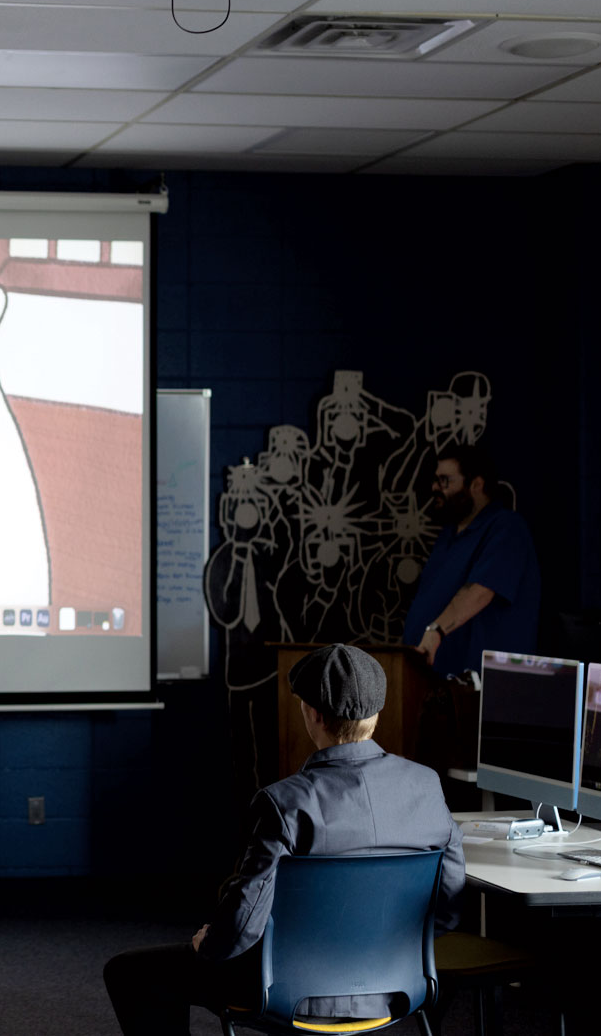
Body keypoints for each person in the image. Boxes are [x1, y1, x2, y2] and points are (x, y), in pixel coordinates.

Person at [103, 643, 465, 1034]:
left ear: (314, 715)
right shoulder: (426, 787)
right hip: (397, 986)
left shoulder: (284, 803)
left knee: (129, 971)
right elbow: (446, 910)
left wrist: (208, 944)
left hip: (285, 991)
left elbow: (244, 925)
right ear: (375, 714)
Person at [403, 443, 540, 677]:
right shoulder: (448, 535)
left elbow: (480, 592)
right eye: (436, 480)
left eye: (445, 481)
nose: (435, 488)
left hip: (481, 683)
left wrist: (435, 631)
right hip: (433, 678)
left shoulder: (506, 528)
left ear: (476, 484)